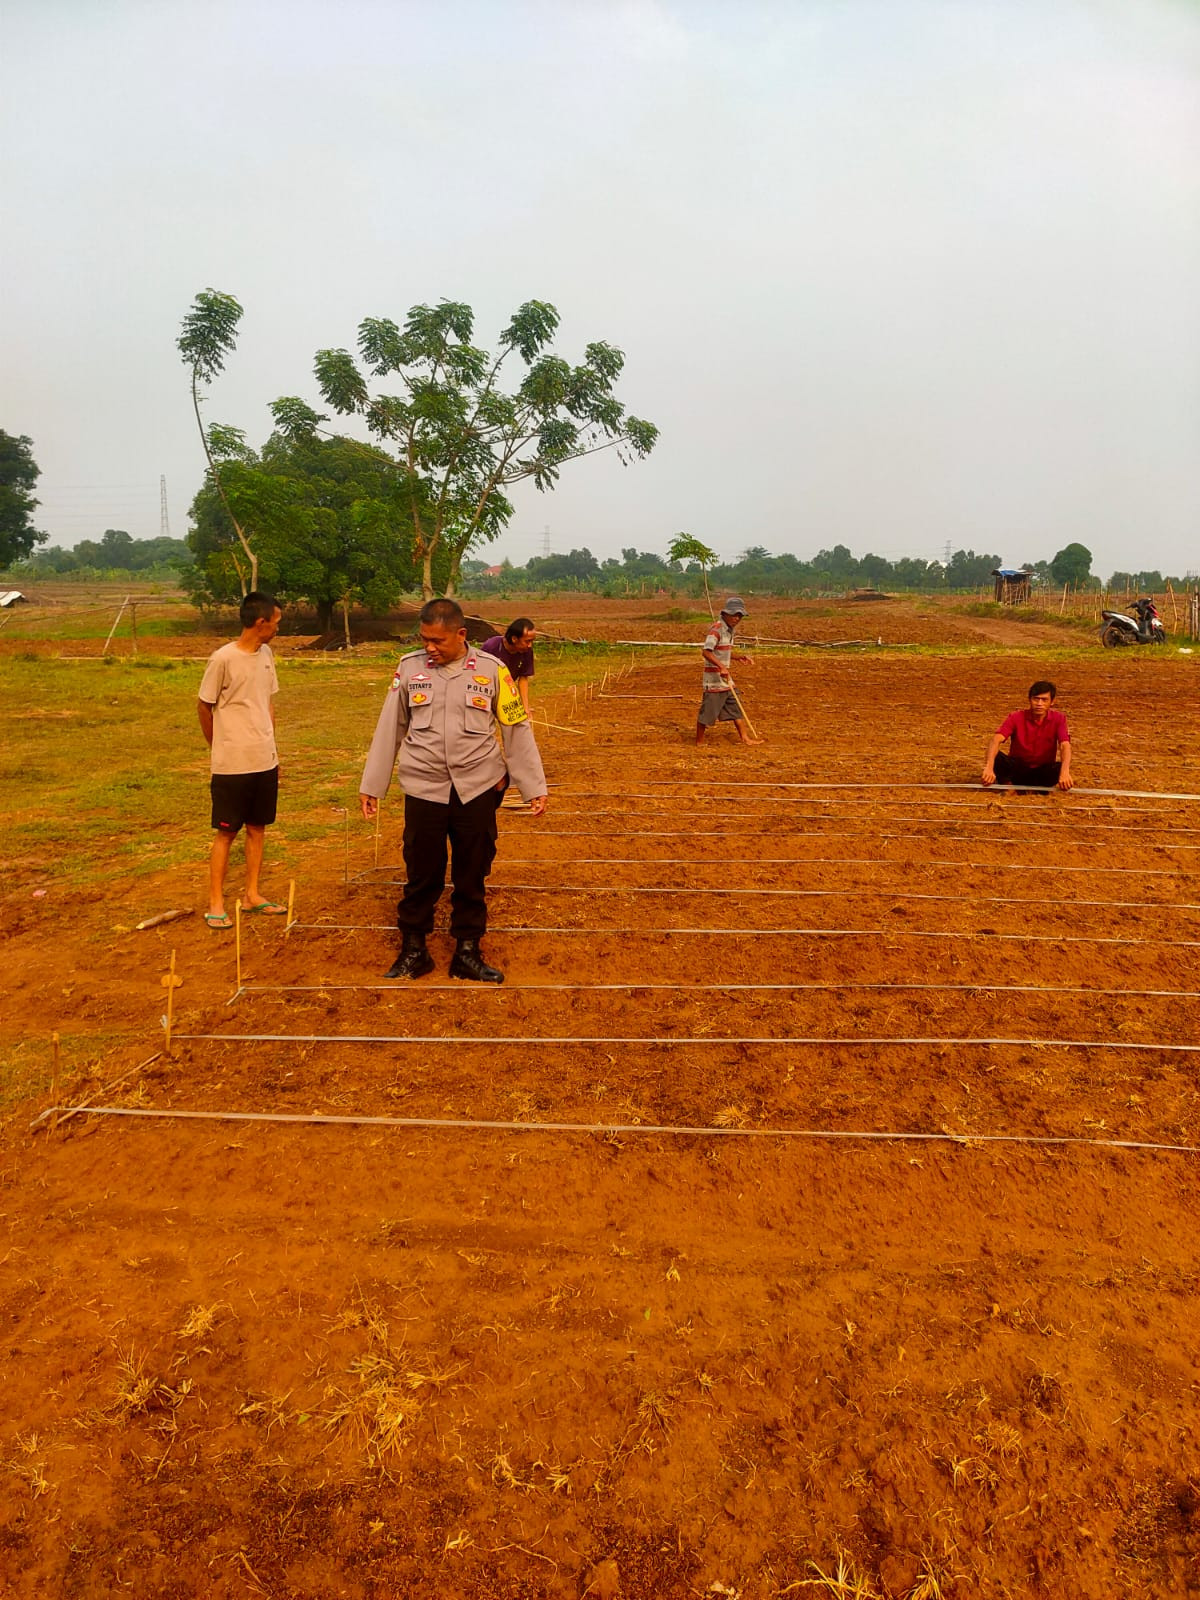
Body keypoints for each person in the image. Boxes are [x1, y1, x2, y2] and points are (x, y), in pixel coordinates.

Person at [359, 598, 548, 983]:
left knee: (472, 871)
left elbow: (515, 729)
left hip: (476, 788)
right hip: (424, 787)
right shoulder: (410, 669)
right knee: (421, 872)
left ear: (461, 635)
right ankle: (414, 950)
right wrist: (372, 785)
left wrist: (533, 786)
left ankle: (467, 951)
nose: (430, 647)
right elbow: (389, 727)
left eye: (438, 641)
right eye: (425, 639)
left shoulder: (492, 671)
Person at [197, 591, 285, 929]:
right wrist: (218, 745)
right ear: (260, 622)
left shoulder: (267, 655)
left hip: (264, 759)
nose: (278, 628)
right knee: (226, 832)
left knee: (257, 828)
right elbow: (204, 706)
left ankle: (252, 895)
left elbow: (268, 704)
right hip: (232, 763)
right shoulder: (222, 659)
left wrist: (273, 748)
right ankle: (216, 902)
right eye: (276, 622)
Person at [981, 680, 1074, 791]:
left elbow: (1065, 745)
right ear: (1030, 699)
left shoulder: (1059, 719)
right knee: (996, 756)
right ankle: (1009, 786)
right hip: (1017, 769)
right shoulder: (1016, 717)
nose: (1039, 704)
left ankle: (1036, 788)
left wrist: (1064, 772)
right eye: (1036, 699)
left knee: (1058, 767)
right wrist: (989, 767)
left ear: (1052, 701)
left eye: (1044, 700)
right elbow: (996, 740)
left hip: (1042, 771)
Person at [696, 597, 760, 745]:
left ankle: (745, 738)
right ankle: (699, 742)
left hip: (725, 679)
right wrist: (722, 667)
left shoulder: (730, 631)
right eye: (734, 614)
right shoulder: (716, 630)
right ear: (725, 614)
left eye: (739, 616)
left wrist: (738, 657)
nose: (736, 618)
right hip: (713, 681)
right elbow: (706, 652)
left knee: (736, 706)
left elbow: (722, 652)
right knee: (707, 713)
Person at [480, 617, 536, 714]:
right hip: (485, 691)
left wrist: (525, 708)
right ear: (514, 639)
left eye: (532, 641)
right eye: (527, 641)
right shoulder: (491, 647)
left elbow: (523, 679)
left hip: (507, 691)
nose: (530, 645)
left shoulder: (527, 651)